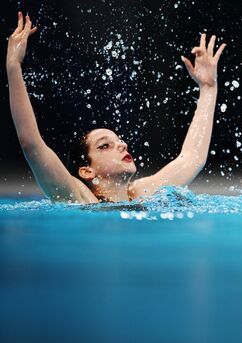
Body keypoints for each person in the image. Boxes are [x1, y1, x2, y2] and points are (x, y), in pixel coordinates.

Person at [7, 13, 226, 203]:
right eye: (105, 146)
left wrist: (208, 89)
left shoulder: (142, 193)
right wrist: (13, 66)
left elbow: (192, 158)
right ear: (86, 171)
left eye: (118, 140)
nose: (122, 145)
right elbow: (31, 144)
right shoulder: (80, 198)